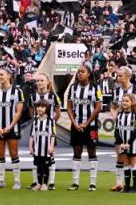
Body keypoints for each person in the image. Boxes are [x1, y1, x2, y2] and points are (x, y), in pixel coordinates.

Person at [110, 66, 136, 192]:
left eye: (120, 76)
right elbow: (113, 106)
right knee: (120, 155)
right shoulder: (116, 91)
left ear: (128, 76)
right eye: (117, 76)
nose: (118, 78)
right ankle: (119, 183)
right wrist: (114, 114)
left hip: (133, 127)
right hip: (121, 127)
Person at [66, 63, 101, 191]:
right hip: (76, 125)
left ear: (89, 74)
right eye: (78, 72)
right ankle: (75, 182)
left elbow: (98, 107)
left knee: (92, 151)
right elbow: (69, 106)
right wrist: (74, 123)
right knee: (77, 151)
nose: (79, 73)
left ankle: (93, 183)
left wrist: (86, 123)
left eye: (82, 71)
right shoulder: (73, 88)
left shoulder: (95, 88)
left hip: (91, 126)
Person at [0, 66, 24, 190]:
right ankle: (1, 181)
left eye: (1, 74)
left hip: (12, 128)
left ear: (9, 76)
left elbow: (18, 111)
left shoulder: (17, 92)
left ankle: (17, 181)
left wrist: (10, 126)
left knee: (14, 153)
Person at [30, 72, 61, 190]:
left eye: (42, 80)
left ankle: (50, 182)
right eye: (37, 81)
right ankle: (36, 181)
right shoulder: (32, 97)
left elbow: (57, 113)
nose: (39, 83)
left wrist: (50, 123)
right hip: (37, 130)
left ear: (47, 82)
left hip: (48, 132)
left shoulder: (53, 96)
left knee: (50, 156)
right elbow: (31, 112)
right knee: (36, 156)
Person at [114, 94, 136, 193]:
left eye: (127, 101)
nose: (124, 103)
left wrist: (129, 143)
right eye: (123, 101)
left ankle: (135, 186)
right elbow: (117, 131)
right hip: (123, 144)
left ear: (132, 102)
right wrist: (121, 143)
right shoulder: (119, 115)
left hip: (133, 143)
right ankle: (126, 186)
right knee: (125, 164)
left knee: (134, 163)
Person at [29, 100, 55, 191]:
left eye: (42, 107)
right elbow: (32, 135)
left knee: (46, 167)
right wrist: (30, 147)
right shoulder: (35, 121)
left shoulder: (51, 121)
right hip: (37, 149)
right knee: (39, 167)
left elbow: (53, 135)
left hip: (46, 149)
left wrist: (51, 146)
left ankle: (45, 184)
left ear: (47, 108)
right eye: (38, 106)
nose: (40, 108)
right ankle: (39, 183)